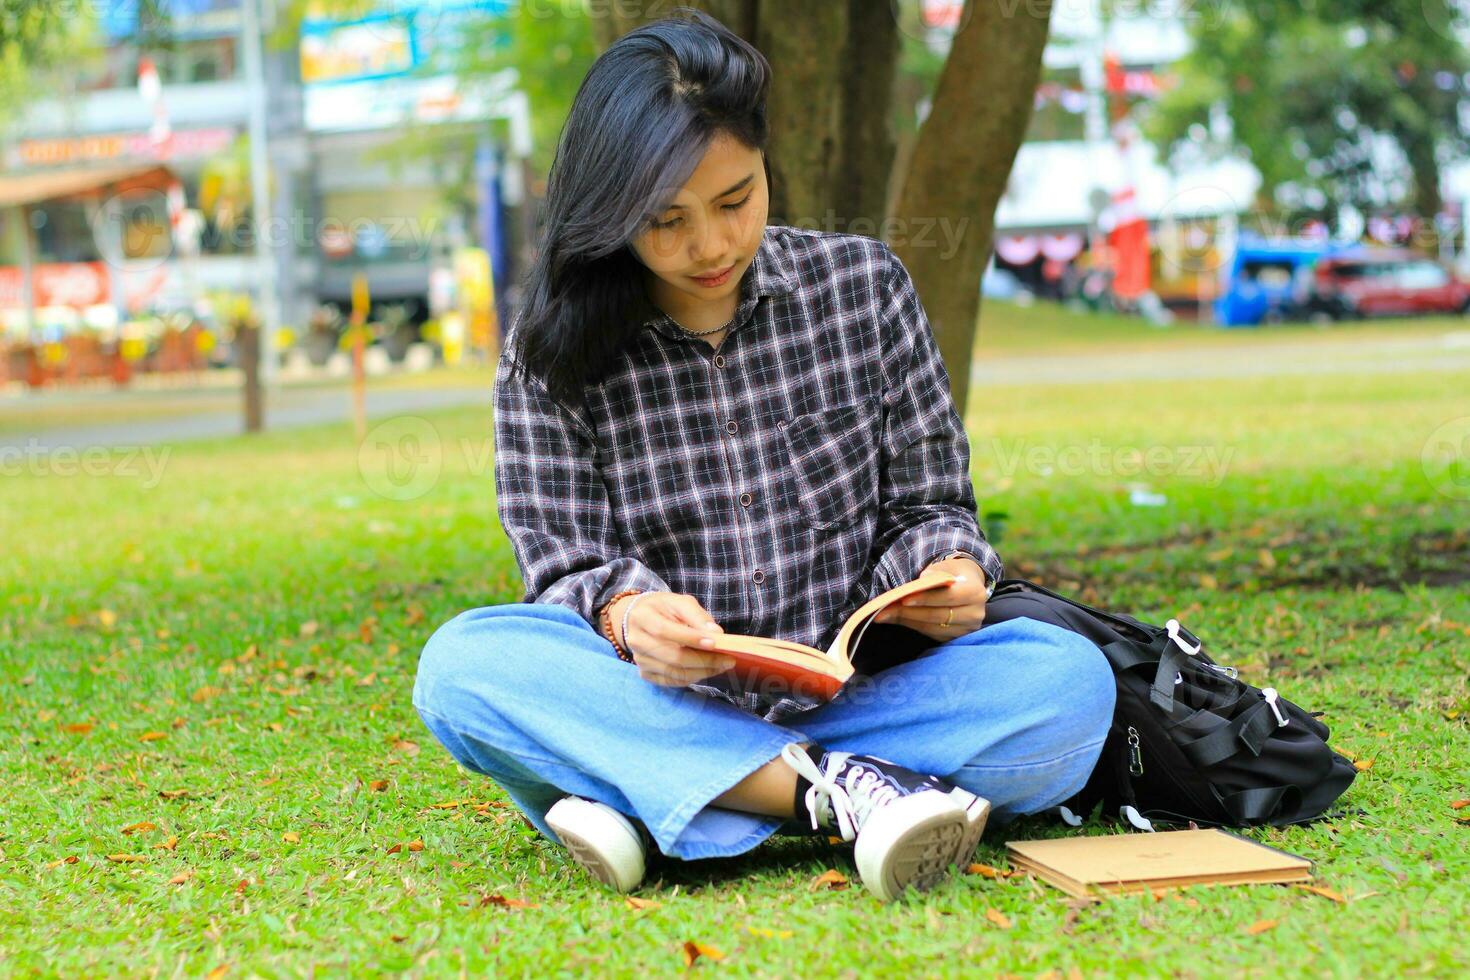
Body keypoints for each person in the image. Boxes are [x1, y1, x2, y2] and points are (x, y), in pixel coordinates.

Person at [413, 7, 1115, 903]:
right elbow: (562, 568)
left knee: (1066, 685)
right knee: (464, 670)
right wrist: (631, 618)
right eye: (664, 221)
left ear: (765, 163)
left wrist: (943, 574)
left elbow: (932, 506)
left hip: (863, 699)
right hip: (658, 701)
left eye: (735, 200)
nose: (709, 245)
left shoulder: (864, 290)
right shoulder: (550, 352)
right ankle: (845, 796)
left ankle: (659, 802)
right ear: (607, 213)